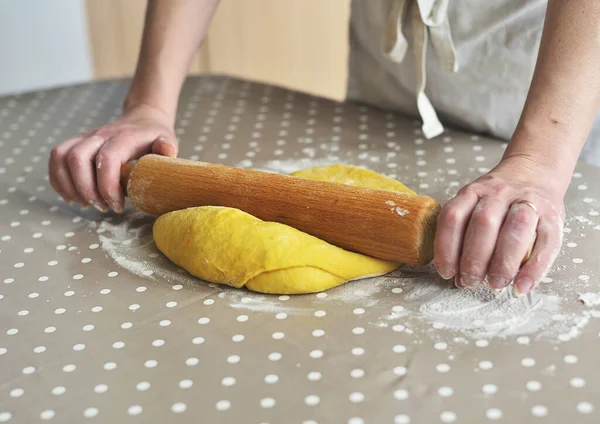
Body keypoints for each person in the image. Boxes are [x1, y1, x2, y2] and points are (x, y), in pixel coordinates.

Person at [48, 0, 600, 297]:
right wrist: (150, 102)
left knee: (527, 220)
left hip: (555, 79)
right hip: (393, 79)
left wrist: (538, 160)